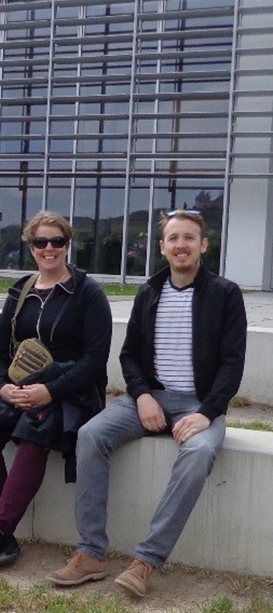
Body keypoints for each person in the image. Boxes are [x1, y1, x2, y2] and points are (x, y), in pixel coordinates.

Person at [48, 209, 247, 597]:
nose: (181, 245)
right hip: (149, 396)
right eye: (173, 238)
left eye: (189, 238)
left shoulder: (225, 294)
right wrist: (141, 396)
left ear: (203, 245)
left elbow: (232, 364)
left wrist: (206, 413)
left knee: (197, 453)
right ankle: (90, 553)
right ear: (162, 247)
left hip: (199, 403)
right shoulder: (149, 291)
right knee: (90, 435)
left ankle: (147, 560)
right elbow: (129, 356)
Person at [0, 210, 112, 571]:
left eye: (57, 241)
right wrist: (2, 389)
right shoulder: (21, 291)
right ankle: (3, 534)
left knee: (34, 433)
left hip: (70, 392)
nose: (50, 249)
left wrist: (49, 391)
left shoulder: (88, 293)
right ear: (31, 247)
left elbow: (94, 360)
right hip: (21, 387)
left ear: (67, 244)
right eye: (41, 242)